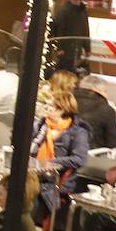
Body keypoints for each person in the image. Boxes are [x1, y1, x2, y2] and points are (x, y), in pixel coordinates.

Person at [29, 91, 89, 224]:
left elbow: (80, 159)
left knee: (25, 199)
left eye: (50, 106)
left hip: (55, 180)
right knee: (7, 188)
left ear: (61, 110)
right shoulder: (40, 125)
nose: (45, 108)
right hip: (33, 173)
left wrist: (48, 162)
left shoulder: (78, 131)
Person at [74, 74, 116, 151]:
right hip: (91, 155)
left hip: (61, 152)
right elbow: (112, 143)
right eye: (105, 91)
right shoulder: (106, 110)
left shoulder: (67, 101)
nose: (106, 95)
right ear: (95, 89)